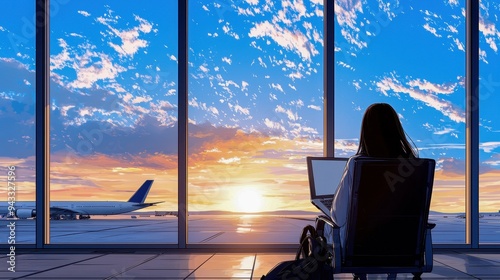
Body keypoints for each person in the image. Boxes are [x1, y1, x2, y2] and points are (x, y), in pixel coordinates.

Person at [330, 103, 418, 249]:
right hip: (403, 248)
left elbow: (338, 218)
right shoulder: (412, 166)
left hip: (361, 249)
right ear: (396, 129)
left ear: (365, 131)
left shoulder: (357, 164)